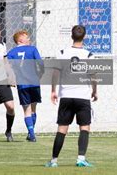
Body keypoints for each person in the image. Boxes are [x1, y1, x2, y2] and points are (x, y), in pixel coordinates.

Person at [45, 25, 98, 167]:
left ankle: (54, 161)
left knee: (62, 129)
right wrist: (95, 90)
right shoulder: (89, 54)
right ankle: (81, 159)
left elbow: (55, 72)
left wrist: (53, 90)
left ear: (71, 36)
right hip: (83, 97)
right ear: (85, 37)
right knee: (85, 127)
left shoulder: (62, 52)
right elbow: (93, 75)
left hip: (66, 96)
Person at [6, 30, 44, 142]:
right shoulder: (32, 49)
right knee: (33, 109)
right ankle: (30, 133)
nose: (29, 39)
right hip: (34, 82)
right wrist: (40, 75)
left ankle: (31, 134)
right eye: (27, 37)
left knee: (26, 110)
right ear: (20, 39)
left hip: (22, 84)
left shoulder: (11, 53)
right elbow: (40, 64)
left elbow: (7, 67)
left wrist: (11, 79)